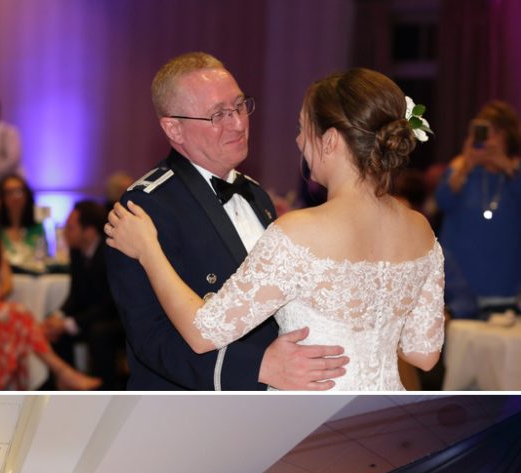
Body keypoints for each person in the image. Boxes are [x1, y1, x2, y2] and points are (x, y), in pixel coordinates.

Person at [107, 63, 443, 391]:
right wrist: (259, 368)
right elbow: (423, 354)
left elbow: (203, 330)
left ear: (329, 141)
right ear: (174, 129)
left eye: (240, 106)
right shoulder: (146, 207)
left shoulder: (279, 213)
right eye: (219, 114)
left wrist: (149, 252)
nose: (239, 122)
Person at [0, 176, 99, 391]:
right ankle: (61, 372)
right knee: (19, 315)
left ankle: (53, 375)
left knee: (18, 316)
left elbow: (7, 283)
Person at [433, 101, 521, 316]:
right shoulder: (460, 168)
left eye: (496, 132)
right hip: (460, 286)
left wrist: (508, 168)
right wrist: (466, 165)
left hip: (504, 282)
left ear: (507, 137)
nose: (489, 139)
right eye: (484, 132)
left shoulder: (515, 173)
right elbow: (442, 202)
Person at [41, 200, 124, 390]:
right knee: (54, 329)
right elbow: (75, 295)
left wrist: (71, 323)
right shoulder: (76, 252)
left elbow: (110, 303)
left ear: (89, 231)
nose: (65, 232)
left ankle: (104, 387)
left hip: (116, 318)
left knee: (99, 332)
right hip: (92, 316)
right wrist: (58, 316)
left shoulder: (110, 252)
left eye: (70, 228)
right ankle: (66, 383)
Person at [0, 175, 45, 265]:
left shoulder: (38, 227)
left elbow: (43, 257)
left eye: (19, 191)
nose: (15, 197)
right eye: (9, 193)